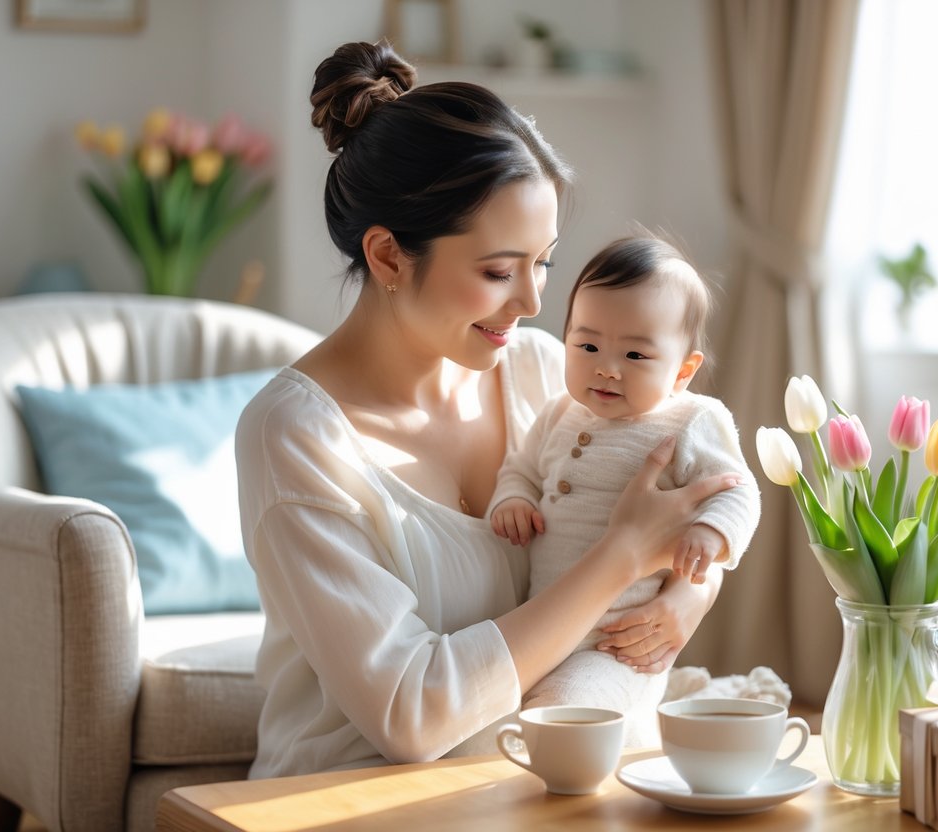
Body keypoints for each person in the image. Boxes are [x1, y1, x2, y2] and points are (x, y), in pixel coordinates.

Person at [236, 41, 740, 779]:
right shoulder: (297, 435)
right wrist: (619, 559)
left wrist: (688, 597)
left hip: (538, 779)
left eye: (543, 263)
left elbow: (691, 496)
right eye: (499, 271)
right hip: (353, 796)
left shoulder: (548, 373)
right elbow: (411, 716)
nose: (534, 303)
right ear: (387, 257)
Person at [488, 234, 761, 744]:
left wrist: (710, 533)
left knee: (563, 716)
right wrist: (514, 499)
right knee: (513, 712)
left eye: (635, 354)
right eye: (587, 346)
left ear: (682, 371)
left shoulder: (692, 421)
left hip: (621, 646)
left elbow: (738, 492)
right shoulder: (557, 413)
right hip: (550, 628)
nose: (606, 368)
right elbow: (521, 468)